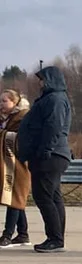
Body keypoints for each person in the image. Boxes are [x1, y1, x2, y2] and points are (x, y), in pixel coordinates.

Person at [16, 66, 72, 253]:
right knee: (53, 196)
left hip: (50, 155)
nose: (40, 83)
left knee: (43, 196)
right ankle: (57, 237)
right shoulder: (52, 98)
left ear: (50, 80)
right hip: (51, 154)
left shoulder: (55, 99)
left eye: (42, 79)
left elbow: (53, 127)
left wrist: (44, 150)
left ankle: (55, 238)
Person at [0, 90, 31, 248]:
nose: (1, 104)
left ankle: (7, 235)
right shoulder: (6, 118)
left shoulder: (23, 117)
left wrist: (3, 134)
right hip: (7, 162)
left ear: (14, 102)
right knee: (16, 197)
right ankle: (23, 234)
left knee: (14, 196)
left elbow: (21, 137)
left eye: (5, 101)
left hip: (19, 162)